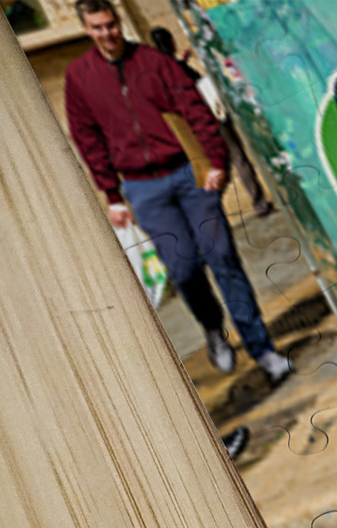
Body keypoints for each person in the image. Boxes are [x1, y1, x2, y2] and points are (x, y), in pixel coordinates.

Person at [64, 0, 291, 384]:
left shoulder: (154, 62)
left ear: (119, 22)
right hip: (142, 187)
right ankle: (213, 329)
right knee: (184, 270)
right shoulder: (79, 76)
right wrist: (112, 196)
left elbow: (195, 109)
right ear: (86, 29)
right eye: (97, 27)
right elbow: (87, 139)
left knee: (223, 257)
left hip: (188, 175)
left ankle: (263, 350)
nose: (107, 33)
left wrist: (215, 160)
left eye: (111, 24)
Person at [147, 26, 275, 218]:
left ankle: (213, 209)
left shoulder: (165, 70)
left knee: (220, 165)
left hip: (197, 124)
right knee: (236, 158)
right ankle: (258, 204)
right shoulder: (178, 68)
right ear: (172, 42)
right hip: (213, 117)